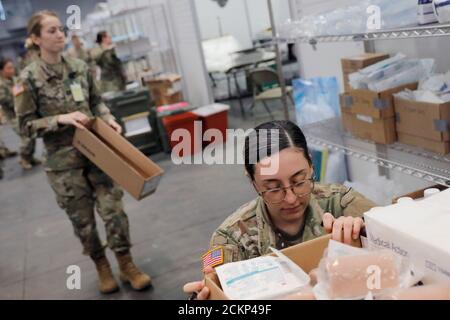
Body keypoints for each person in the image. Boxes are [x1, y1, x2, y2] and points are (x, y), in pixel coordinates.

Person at [14, 10, 151, 294]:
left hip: (98, 155)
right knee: (84, 223)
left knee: (114, 212)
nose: (60, 34)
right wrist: (59, 119)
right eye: (51, 30)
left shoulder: (79, 67)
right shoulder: (27, 79)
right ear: (36, 38)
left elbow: (96, 102)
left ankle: (126, 264)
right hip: (64, 167)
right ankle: (102, 267)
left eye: (60, 28)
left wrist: (108, 118)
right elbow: (25, 127)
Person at [183, 120, 376, 299]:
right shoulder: (232, 237)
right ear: (253, 183)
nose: (291, 198)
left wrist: (366, 232)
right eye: (274, 188)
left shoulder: (340, 203)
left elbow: (397, 241)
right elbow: (215, 286)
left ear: (310, 165)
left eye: (299, 181)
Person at [0, 57, 40, 169]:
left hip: (23, 113)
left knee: (32, 134)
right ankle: (24, 158)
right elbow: (5, 100)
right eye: (8, 68)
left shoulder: (15, 79)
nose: (12, 70)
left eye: (12, 67)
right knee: (26, 137)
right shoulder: (1, 84)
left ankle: (30, 157)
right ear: (1, 70)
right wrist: (20, 100)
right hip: (13, 116)